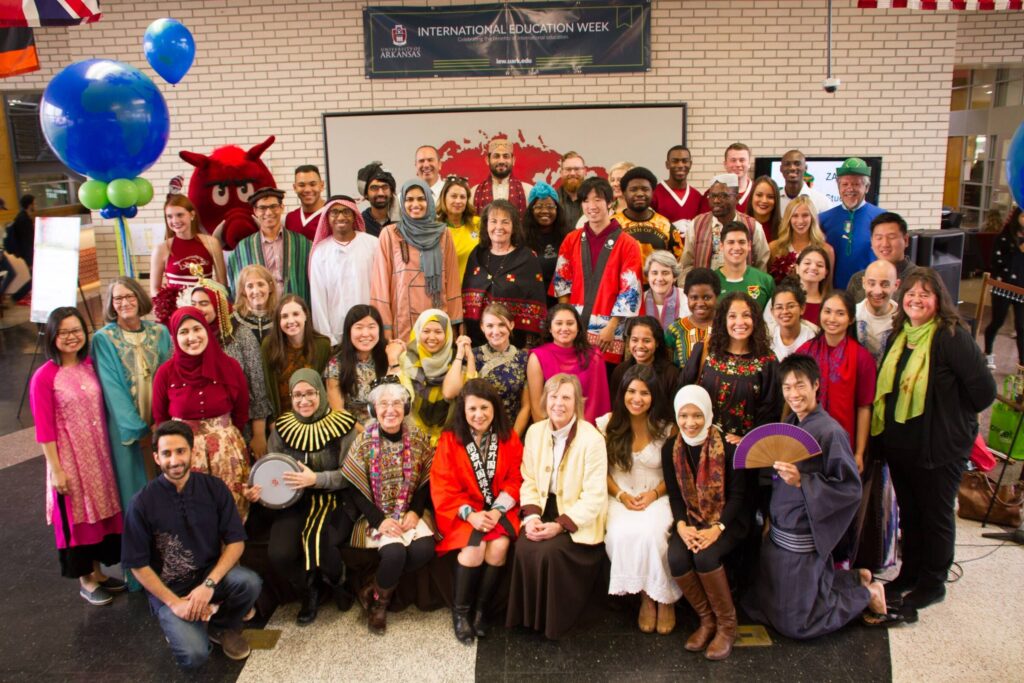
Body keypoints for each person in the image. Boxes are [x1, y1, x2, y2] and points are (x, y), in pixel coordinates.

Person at [872, 269, 995, 614]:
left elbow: (984, 392)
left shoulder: (951, 336)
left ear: (938, 299)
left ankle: (933, 583)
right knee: (911, 514)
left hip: (939, 449)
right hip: (903, 446)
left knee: (936, 515)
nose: (916, 299)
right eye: (911, 293)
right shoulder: (902, 333)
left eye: (925, 294)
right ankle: (910, 572)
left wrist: (951, 421)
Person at [744, 354, 892, 639]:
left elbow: (850, 489)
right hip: (780, 530)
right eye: (787, 388)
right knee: (759, 606)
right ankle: (851, 579)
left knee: (796, 625)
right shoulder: (793, 421)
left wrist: (803, 481)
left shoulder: (830, 432)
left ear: (815, 386)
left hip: (802, 533)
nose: (793, 394)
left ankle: (867, 594)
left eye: (799, 386)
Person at [121, 421, 261, 669]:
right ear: (156, 457)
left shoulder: (214, 488)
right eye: (166, 453)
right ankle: (184, 623)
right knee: (195, 656)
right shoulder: (141, 503)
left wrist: (209, 585)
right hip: (170, 591)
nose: (174, 460)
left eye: (180, 451)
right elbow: (137, 565)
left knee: (249, 583)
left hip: (208, 579)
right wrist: (176, 604)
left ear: (192, 450)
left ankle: (221, 628)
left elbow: (236, 542)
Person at [244, 369, 358, 625]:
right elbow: (271, 470)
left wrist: (317, 479)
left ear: (320, 392)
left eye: (310, 393)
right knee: (280, 553)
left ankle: (337, 581)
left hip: (336, 498)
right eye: (297, 395)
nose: (304, 400)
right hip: (293, 501)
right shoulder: (283, 429)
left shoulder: (343, 426)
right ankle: (309, 589)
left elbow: (351, 474)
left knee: (323, 545)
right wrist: (259, 490)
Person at [31, 306, 125, 606]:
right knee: (77, 516)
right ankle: (85, 579)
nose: (72, 337)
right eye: (64, 332)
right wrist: (56, 470)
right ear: (53, 336)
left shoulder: (89, 365)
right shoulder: (45, 376)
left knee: (101, 511)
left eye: (77, 331)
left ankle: (98, 572)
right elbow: (44, 430)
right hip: (69, 459)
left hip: (98, 455)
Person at [506, 373, 608, 640]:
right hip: (542, 507)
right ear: (544, 400)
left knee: (548, 552)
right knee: (524, 546)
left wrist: (559, 526)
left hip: (576, 518)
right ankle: (527, 620)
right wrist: (531, 518)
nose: (558, 403)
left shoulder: (592, 439)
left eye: (566, 397)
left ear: (577, 403)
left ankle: (553, 622)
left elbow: (595, 496)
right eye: (553, 396)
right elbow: (528, 478)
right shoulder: (535, 431)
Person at [431, 379, 524, 643]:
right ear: (463, 410)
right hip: (462, 512)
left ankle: (481, 611)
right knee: (474, 549)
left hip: (499, 510)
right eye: (472, 409)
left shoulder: (509, 438)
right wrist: (470, 514)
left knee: (499, 547)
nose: (478, 415)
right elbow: (443, 484)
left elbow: (516, 478)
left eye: (484, 407)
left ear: (495, 407)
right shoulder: (450, 440)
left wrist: (496, 512)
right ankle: (461, 613)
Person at [341, 377, 435, 635]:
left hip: (408, 511)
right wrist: (379, 519)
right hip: (375, 515)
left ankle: (371, 587)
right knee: (395, 553)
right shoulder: (363, 442)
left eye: (396, 403)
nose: (390, 410)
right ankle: (378, 605)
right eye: (383, 404)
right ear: (373, 409)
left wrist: (415, 512)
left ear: (405, 408)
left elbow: (426, 481)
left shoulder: (418, 438)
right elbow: (355, 489)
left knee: (424, 549)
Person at [664, 385, 750, 660]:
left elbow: (738, 497)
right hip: (691, 518)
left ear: (709, 414)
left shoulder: (727, 446)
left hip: (727, 520)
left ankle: (727, 626)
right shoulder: (671, 448)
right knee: (676, 556)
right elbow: (675, 495)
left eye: (697, 415)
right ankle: (707, 620)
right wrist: (681, 526)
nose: (690, 423)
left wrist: (717, 529)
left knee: (705, 557)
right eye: (684, 415)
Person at [598, 366, 680, 635]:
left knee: (654, 535)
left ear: (654, 396)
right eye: (631, 391)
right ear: (622, 393)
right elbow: (599, 472)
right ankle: (646, 596)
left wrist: (654, 494)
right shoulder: (606, 425)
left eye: (644, 393)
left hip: (658, 495)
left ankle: (664, 598)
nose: (637, 398)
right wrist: (621, 495)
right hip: (618, 496)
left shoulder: (667, 429)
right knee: (620, 535)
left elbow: (677, 474)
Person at [153, 307, 251, 519]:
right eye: (184, 332)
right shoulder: (165, 373)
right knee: (192, 514)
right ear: (175, 337)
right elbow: (160, 419)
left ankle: (231, 551)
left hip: (226, 454)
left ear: (207, 330)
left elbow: (242, 412)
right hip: (184, 454)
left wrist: (222, 436)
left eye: (197, 329)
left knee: (229, 510)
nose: (192, 337)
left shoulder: (230, 366)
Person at [92, 278, 172, 506]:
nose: (124, 302)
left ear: (139, 298)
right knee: (135, 489)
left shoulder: (160, 332)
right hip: (126, 426)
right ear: (111, 303)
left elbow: (168, 378)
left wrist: (161, 421)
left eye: (129, 296)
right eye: (118, 298)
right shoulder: (104, 339)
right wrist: (139, 429)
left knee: (165, 481)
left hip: (159, 420)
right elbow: (112, 389)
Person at [551, 176, 643, 365]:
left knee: (604, 387)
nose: (591, 206)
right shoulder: (571, 239)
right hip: (574, 330)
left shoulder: (629, 244)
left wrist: (612, 326)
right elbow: (562, 286)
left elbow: (630, 291)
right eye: (586, 201)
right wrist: (567, 324)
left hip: (608, 332)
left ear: (610, 202)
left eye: (598, 199)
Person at [183, 278, 271, 458]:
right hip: (195, 436)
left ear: (218, 304)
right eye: (193, 304)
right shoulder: (184, 337)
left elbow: (257, 385)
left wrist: (259, 434)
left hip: (237, 428)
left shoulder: (241, 335)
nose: (198, 309)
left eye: (204, 303)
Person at [679, 292, 781, 440]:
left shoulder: (767, 361)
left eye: (746, 315)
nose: (740, 322)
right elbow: (684, 392)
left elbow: (771, 411)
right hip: (702, 441)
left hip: (742, 451)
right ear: (723, 320)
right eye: (732, 316)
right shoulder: (706, 351)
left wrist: (749, 440)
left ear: (756, 320)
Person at [371, 179, 463, 342]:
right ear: (402, 203)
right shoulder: (390, 234)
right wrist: (385, 327)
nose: (416, 204)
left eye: (421, 199)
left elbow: (453, 282)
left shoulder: (443, 234)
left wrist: (456, 324)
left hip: (437, 320)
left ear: (429, 200)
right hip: (402, 323)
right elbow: (381, 285)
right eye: (409, 199)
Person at [798, 290, 876, 472]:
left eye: (840, 313)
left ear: (850, 319)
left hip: (843, 440)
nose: (832, 318)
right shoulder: (805, 352)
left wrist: (859, 452)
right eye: (827, 311)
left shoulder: (862, 358)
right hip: (806, 439)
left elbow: (864, 407)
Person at [462, 199, 547, 347]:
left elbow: (537, 304)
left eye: (505, 222)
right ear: (486, 225)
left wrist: (529, 346)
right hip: (476, 342)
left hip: (515, 345)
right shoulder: (476, 255)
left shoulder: (527, 258)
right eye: (493, 221)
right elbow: (465, 297)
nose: (499, 227)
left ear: (514, 227)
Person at [308, 196, 379, 346]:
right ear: (327, 217)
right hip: (337, 335)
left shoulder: (372, 244)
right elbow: (318, 300)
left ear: (354, 216)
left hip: (370, 331)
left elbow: (381, 289)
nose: (341, 216)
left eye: (346, 211)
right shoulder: (320, 252)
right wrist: (327, 339)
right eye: (334, 212)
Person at [527, 304, 610, 424]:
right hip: (550, 431)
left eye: (570, 323)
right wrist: (549, 438)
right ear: (550, 328)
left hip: (587, 432)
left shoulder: (594, 356)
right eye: (559, 323)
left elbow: (599, 403)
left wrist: (582, 436)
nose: (564, 328)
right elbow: (537, 407)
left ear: (578, 328)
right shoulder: (537, 357)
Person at [150, 194, 227, 325]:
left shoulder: (211, 243)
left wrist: (215, 310)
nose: (175, 220)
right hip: (176, 315)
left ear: (192, 215)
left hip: (206, 313)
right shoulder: (162, 248)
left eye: (180, 215)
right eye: (169, 216)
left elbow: (222, 284)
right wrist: (168, 311)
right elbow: (154, 290)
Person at [458, 303, 531, 436]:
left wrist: (513, 438)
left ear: (512, 325)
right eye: (490, 326)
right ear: (482, 327)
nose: (496, 331)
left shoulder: (523, 359)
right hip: (477, 431)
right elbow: (466, 397)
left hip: (511, 431)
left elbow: (526, 406)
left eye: (502, 325)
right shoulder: (472, 355)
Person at [226, 187, 311, 302]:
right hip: (259, 313)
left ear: (281, 208)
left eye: (273, 206)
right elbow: (237, 285)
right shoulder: (243, 248)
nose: (269, 212)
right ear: (255, 211)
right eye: (262, 208)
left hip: (293, 310)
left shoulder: (302, 243)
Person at [679, 173, 770, 277]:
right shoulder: (697, 224)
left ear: (737, 198)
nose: (716, 201)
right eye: (712, 196)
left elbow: (761, 267)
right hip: (705, 291)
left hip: (740, 291)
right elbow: (686, 265)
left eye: (723, 196)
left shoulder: (753, 227)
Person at [261, 294, 332, 418]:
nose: (291, 321)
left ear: (305, 315)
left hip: (315, 417)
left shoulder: (322, 345)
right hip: (282, 419)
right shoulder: (269, 346)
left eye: (295, 314)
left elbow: (326, 388)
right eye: (284, 316)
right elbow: (267, 386)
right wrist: (273, 422)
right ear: (278, 321)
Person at [820, 158, 886, 289]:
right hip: (833, 293)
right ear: (839, 187)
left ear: (866, 187)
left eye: (856, 184)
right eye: (845, 184)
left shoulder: (882, 218)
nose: (850, 189)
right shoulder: (823, 219)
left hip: (868, 293)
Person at [325, 304, 389, 427]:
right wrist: (368, 435)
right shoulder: (336, 364)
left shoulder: (388, 355)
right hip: (352, 431)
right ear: (349, 331)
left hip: (388, 425)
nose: (365, 334)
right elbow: (338, 412)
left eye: (371, 327)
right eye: (359, 327)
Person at [614, 166, 683, 268]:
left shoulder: (666, 226)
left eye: (645, 189)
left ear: (652, 192)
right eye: (633, 189)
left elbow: (678, 264)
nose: (640, 194)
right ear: (624, 193)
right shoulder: (612, 224)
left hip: (658, 283)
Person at [847, 212, 918, 303]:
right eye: (879, 238)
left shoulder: (921, 279)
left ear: (906, 240)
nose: (885, 244)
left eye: (891, 237)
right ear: (872, 242)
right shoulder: (858, 280)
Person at [984, 208, 1024, 367]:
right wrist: (1017, 251)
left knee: (1021, 326)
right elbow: (996, 262)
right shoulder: (1004, 237)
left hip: (1021, 289)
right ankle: (988, 353)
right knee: (998, 321)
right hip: (1003, 286)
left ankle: (1022, 363)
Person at [609, 316, 679, 403]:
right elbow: (616, 407)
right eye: (634, 340)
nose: (640, 346)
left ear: (657, 343)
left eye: (646, 341)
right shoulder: (620, 371)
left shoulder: (671, 374)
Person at [767, 195, 835, 284]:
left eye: (805, 215)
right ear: (788, 219)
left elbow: (827, 286)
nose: (800, 221)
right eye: (795, 216)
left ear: (812, 218)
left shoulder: (826, 250)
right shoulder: (774, 248)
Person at [523, 182, 569, 305]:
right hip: (531, 303)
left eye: (550, 206)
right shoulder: (520, 238)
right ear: (531, 210)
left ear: (557, 209)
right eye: (539, 206)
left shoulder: (568, 236)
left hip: (561, 303)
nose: (544, 211)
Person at [666, 267, 719, 368]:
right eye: (694, 297)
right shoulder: (675, 330)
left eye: (707, 297)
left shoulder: (727, 327)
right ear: (687, 297)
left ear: (717, 296)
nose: (700, 303)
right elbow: (667, 368)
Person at [716, 221, 775, 312]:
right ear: (721, 246)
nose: (736, 247)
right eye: (731, 242)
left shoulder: (765, 281)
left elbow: (773, 321)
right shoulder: (710, 282)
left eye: (742, 242)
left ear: (749, 245)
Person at [651, 145, 708, 233]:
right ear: (667, 164)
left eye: (685, 161)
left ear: (690, 164)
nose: (680, 165)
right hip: (663, 246)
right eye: (675, 161)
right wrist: (669, 228)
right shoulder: (654, 194)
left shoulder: (696, 196)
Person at [470, 138, 533, 217]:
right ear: (487, 160)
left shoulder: (528, 191)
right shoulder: (474, 192)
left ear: (513, 160)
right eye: (496, 156)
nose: (501, 161)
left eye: (506, 156)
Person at [855, 259, 900, 366]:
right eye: (872, 283)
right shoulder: (852, 315)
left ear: (896, 285)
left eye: (885, 285)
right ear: (863, 283)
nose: (877, 291)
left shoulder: (904, 319)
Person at [437, 175, 480, 281]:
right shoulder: (434, 228)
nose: (458, 201)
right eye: (454, 196)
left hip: (474, 289)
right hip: (446, 290)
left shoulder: (478, 223)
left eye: (462, 197)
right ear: (444, 198)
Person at [644, 249, 691, 332]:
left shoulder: (688, 299)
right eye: (654, 273)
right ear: (648, 277)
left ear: (674, 276)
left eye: (665, 273)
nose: (659, 278)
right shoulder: (638, 301)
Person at [769, 280, 817, 360]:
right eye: (779, 307)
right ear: (772, 312)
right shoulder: (766, 337)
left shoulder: (813, 338)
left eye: (791, 306)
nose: (785, 311)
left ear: (802, 308)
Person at [231, 264, 278, 344]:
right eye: (250, 286)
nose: (256, 291)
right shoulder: (233, 320)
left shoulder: (281, 316)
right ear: (243, 290)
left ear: (270, 287)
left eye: (260, 284)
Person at [778, 149, 832, 215]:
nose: (792, 168)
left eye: (797, 164)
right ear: (781, 168)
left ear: (805, 168)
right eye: (787, 164)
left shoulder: (822, 202)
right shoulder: (774, 201)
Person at [4, 193, 35, 302]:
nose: (34, 205)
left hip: (27, 253)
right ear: (29, 204)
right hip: (28, 254)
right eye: (33, 203)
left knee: (35, 277)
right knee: (35, 278)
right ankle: (16, 296)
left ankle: (17, 297)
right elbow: (26, 242)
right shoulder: (23, 219)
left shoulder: (22, 217)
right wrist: (30, 260)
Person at [705, 143, 754, 213]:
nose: (738, 164)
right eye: (733, 160)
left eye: (742, 160)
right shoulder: (712, 194)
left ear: (749, 164)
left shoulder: (758, 193)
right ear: (725, 164)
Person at [285, 164, 326, 241]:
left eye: (312, 184)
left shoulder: (332, 214)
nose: (307, 189)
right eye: (301, 185)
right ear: (295, 188)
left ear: (322, 185)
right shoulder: (291, 218)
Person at [795, 245, 832, 327]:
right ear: (797, 268)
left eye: (819, 265)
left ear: (826, 272)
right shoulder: (783, 298)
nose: (813, 267)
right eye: (807, 263)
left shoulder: (830, 304)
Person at [361, 164, 397, 237]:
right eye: (374, 188)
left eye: (385, 187)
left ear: (392, 192)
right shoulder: (360, 222)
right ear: (366, 194)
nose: (380, 193)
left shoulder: (403, 222)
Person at [746, 176, 781, 242]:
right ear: (751, 197)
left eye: (770, 197)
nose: (764, 200)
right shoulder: (740, 225)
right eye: (759, 195)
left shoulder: (784, 229)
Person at [557, 151, 587, 228]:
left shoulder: (594, 201)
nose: (573, 173)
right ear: (561, 173)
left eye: (577, 169)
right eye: (568, 169)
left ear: (585, 172)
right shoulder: (553, 199)